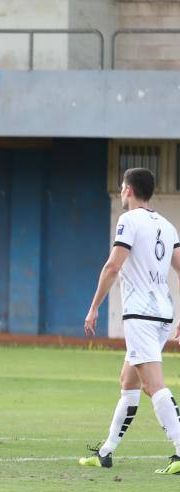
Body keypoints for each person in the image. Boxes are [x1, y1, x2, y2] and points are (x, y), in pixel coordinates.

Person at [81, 167, 180, 474]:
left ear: (127, 190)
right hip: (162, 313)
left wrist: (94, 306)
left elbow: (113, 266)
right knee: (129, 382)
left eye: (122, 187)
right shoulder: (167, 225)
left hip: (140, 315)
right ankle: (106, 452)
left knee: (154, 385)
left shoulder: (128, 221)